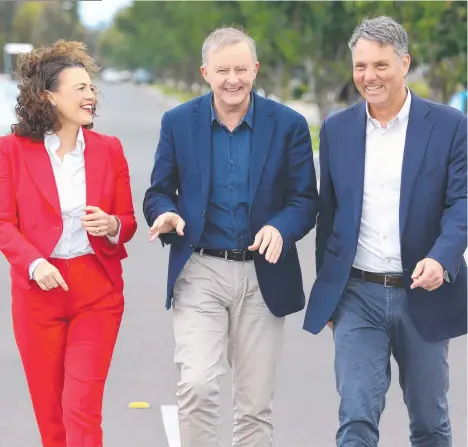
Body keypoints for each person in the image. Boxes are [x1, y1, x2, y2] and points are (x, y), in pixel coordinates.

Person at [143, 27, 318, 447]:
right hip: (200, 269)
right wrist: (165, 213)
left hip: (263, 274)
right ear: (206, 72)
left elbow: (304, 200)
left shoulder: (289, 125)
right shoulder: (178, 122)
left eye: (241, 69)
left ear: (255, 70)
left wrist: (280, 227)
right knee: (199, 385)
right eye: (223, 70)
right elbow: (158, 191)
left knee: (255, 406)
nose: (233, 79)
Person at [304, 16, 467, 446]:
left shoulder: (449, 125)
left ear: (405, 63)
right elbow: (329, 217)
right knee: (356, 418)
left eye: (380, 65)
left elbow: (461, 205)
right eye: (360, 66)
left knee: (430, 423)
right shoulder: (337, 130)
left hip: (425, 293)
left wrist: (442, 258)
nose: (368, 77)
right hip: (358, 295)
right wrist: (332, 296)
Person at [0, 40, 137, 447]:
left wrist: (111, 224)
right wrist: (33, 263)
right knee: (51, 418)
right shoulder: (11, 152)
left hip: (97, 292)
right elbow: (4, 222)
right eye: (80, 88)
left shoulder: (109, 150)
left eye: (92, 88)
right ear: (49, 95)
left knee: (81, 409)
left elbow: (127, 222)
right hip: (38, 293)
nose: (91, 95)